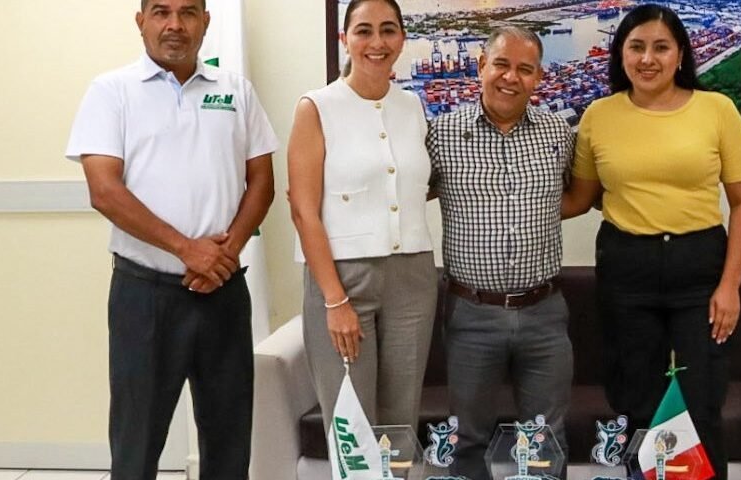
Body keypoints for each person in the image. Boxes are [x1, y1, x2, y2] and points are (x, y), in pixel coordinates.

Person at [65, 0, 276, 478]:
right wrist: (188, 250)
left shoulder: (236, 91)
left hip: (224, 292)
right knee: (137, 442)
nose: (175, 25)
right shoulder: (111, 91)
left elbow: (262, 181)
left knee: (228, 440)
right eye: (161, 11)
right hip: (146, 296)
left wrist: (224, 255)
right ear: (140, 21)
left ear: (206, 21)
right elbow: (104, 191)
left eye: (188, 12)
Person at [562, 5, 741, 478]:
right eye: (636, 47)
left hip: (700, 268)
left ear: (681, 54)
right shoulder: (599, 115)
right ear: (621, 54)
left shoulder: (717, 109)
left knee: (701, 402)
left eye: (661, 47)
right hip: (627, 268)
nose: (648, 59)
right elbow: (581, 198)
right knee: (636, 401)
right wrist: (506, 199)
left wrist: (730, 285)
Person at [426, 27, 576, 480]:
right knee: (468, 439)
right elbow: (404, 196)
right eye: (501, 65)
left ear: (538, 77)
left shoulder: (558, 132)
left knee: (546, 440)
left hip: (545, 312)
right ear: (481, 67)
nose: (511, 77)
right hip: (471, 313)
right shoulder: (442, 134)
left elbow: (579, 195)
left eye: (525, 69)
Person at [287, 0, 437, 442]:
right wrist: (335, 301)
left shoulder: (412, 106)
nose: (377, 42)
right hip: (342, 279)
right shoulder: (316, 107)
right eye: (364, 30)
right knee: (351, 426)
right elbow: (303, 210)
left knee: (401, 422)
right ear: (345, 39)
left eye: (388, 30)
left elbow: (411, 186)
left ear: (402, 39)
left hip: (413, 277)